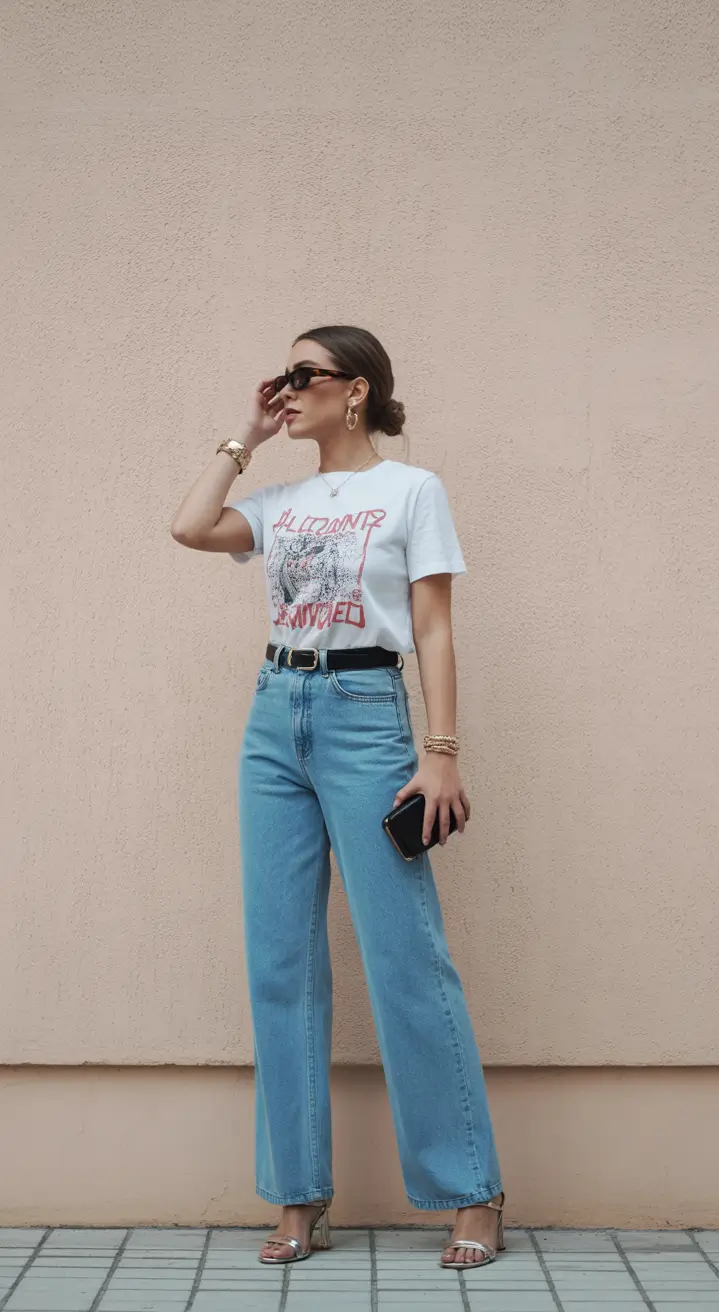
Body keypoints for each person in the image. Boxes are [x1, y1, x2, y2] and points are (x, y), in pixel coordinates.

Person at [170, 325, 505, 1269]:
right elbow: (190, 526)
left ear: (355, 390)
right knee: (280, 960)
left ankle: (472, 1191)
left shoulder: (412, 490)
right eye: (280, 376)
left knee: (406, 954)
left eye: (303, 375)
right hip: (274, 716)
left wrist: (440, 752)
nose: (287, 389)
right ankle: (299, 1195)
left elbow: (433, 628)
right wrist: (246, 433)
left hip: (365, 715)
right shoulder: (280, 500)